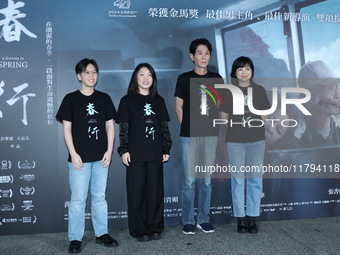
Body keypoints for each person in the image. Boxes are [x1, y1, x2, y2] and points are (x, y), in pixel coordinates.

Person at [56, 58, 118, 254]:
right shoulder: (70, 99)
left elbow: (110, 126)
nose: (91, 76)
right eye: (87, 72)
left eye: (94, 72)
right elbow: (67, 129)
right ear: (79, 76)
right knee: (78, 200)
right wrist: (73, 154)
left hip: (101, 158)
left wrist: (109, 151)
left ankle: (102, 233)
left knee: (100, 198)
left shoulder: (104, 99)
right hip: (79, 159)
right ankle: (75, 238)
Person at [117, 63, 172, 242]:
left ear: (153, 79)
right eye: (142, 74)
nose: (146, 78)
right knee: (137, 193)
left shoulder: (159, 100)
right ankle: (139, 229)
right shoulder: (127, 101)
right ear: (135, 78)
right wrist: (123, 150)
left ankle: (155, 227)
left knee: (155, 193)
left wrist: (166, 148)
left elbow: (164, 126)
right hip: (135, 154)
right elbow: (123, 128)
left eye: (149, 75)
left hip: (155, 153)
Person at [174, 38, 223, 234]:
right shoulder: (184, 79)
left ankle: (203, 219)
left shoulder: (217, 78)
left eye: (207, 53)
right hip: (189, 136)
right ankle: (187, 220)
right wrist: (189, 129)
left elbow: (220, 107)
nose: (204, 56)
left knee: (207, 181)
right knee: (189, 181)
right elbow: (179, 108)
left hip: (210, 136)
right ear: (192, 56)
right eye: (200, 53)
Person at [220, 56, 270, 234]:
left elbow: (264, 116)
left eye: (247, 68)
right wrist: (238, 129)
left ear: (252, 71)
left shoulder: (259, 90)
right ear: (235, 72)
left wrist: (251, 126)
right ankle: (240, 218)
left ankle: (252, 217)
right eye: (240, 69)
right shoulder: (228, 91)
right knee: (238, 180)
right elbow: (224, 118)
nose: (244, 72)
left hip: (257, 140)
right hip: (235, 141)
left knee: (255, 180)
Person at [290, 60, 340, 148]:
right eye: (330, 89)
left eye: (337, 87)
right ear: (311, 98)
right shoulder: (296, 137)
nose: (337, 95)